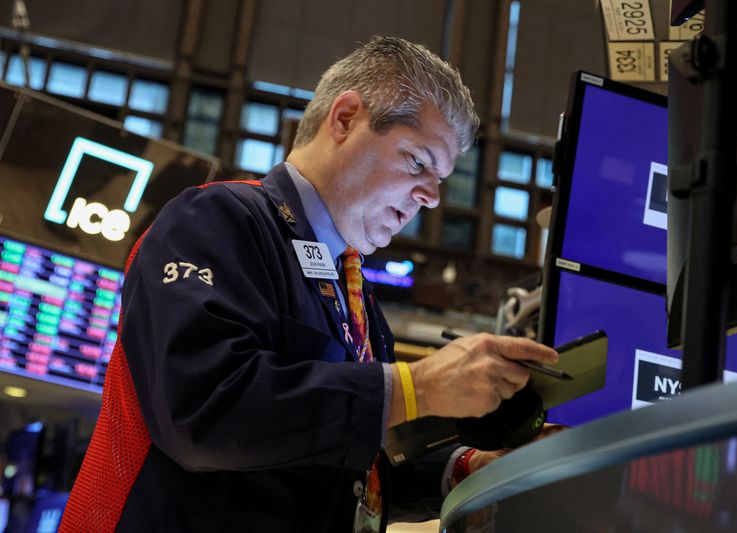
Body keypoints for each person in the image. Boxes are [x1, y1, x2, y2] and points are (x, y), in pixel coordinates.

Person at [60, 36, 559, 532]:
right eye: (418, 161)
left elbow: (339, 473)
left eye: (441, 179)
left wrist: (463, 471)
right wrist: (417, 386)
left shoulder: (355, 294)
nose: (430, 197)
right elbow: (203, 409)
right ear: (344, 119)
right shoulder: (217, 219)